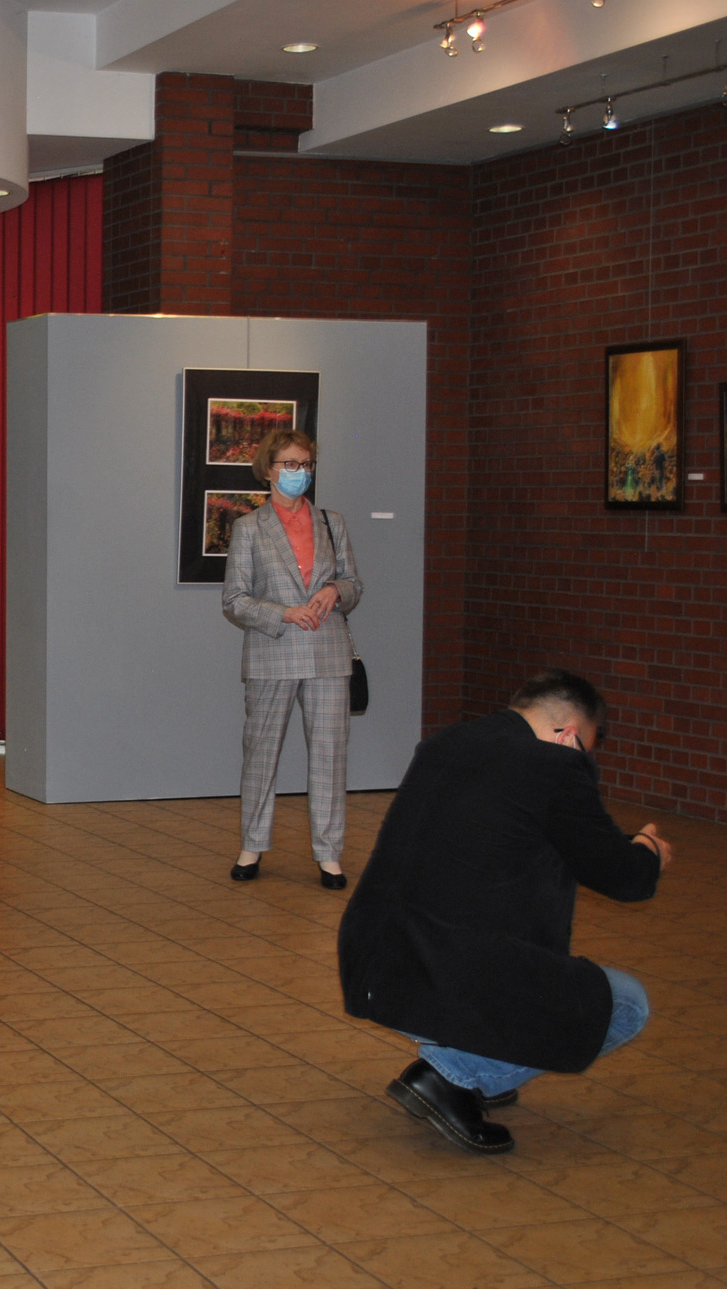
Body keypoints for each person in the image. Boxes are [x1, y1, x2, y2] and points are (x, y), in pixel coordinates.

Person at [339, 669, 667, 1154]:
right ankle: (452, 1077)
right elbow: (624, 877)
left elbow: (560, 838)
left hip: (373, 960)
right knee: (628, 1004)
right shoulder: (554, 765)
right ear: (569, 736)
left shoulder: (447, 742)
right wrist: (648, 851)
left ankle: (482, 1067)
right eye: (587, 749)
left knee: (516, 965)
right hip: (443, 970)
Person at [221, 428, 363, 888]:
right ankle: (251, 846)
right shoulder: (248, 528)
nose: (299, 472)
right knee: (261, 754)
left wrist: (334, 591)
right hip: (272, 652)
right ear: (269, 469)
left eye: (306, 464)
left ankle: (329, 854)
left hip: (328, 654)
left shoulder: (331, 522)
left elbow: (353, 584)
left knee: (329, 757)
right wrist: (283, 612)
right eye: (290, 464)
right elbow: (234, 600)